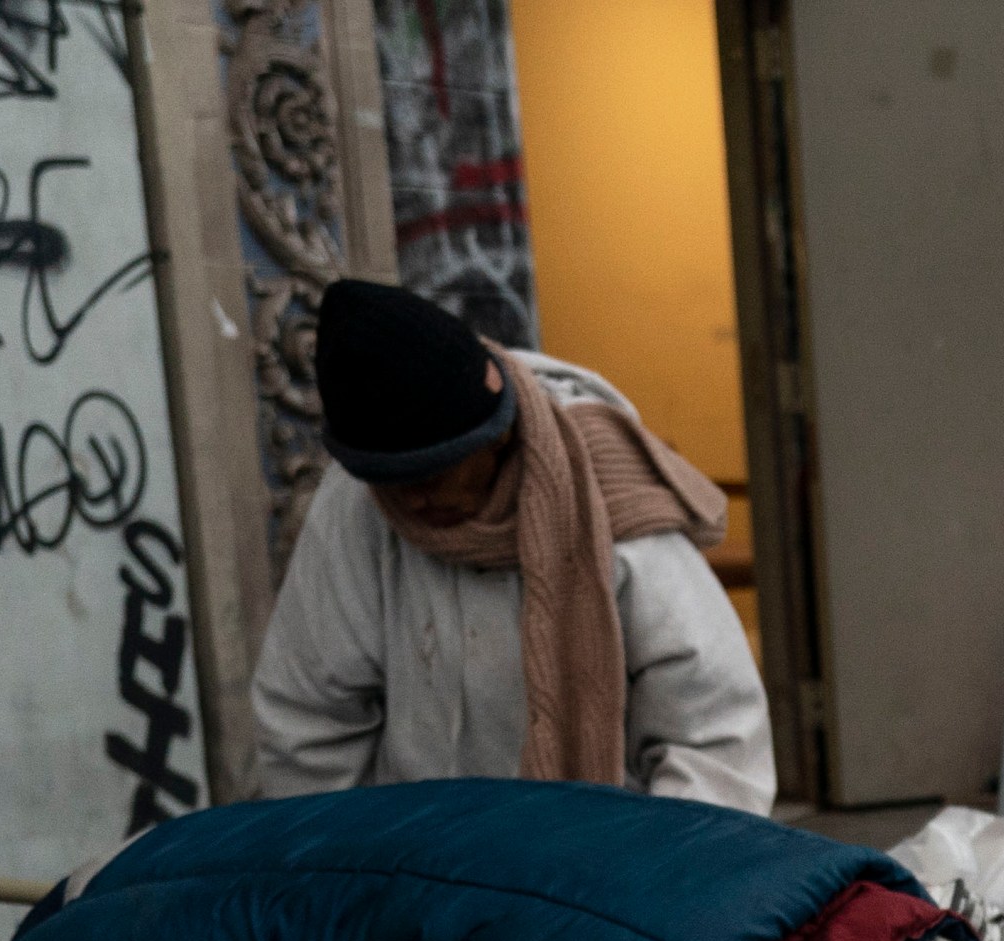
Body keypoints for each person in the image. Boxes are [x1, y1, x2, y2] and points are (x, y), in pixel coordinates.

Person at [254, 279, 770, 809]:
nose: (412, 502)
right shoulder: (357, 502)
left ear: (496, 437)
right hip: (428, 859)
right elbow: (309, 717)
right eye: (391, 482)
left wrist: (673, 876)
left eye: (431, 475)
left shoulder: (606, 500)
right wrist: (345, 869)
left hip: (614, 862)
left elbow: (711, 731)